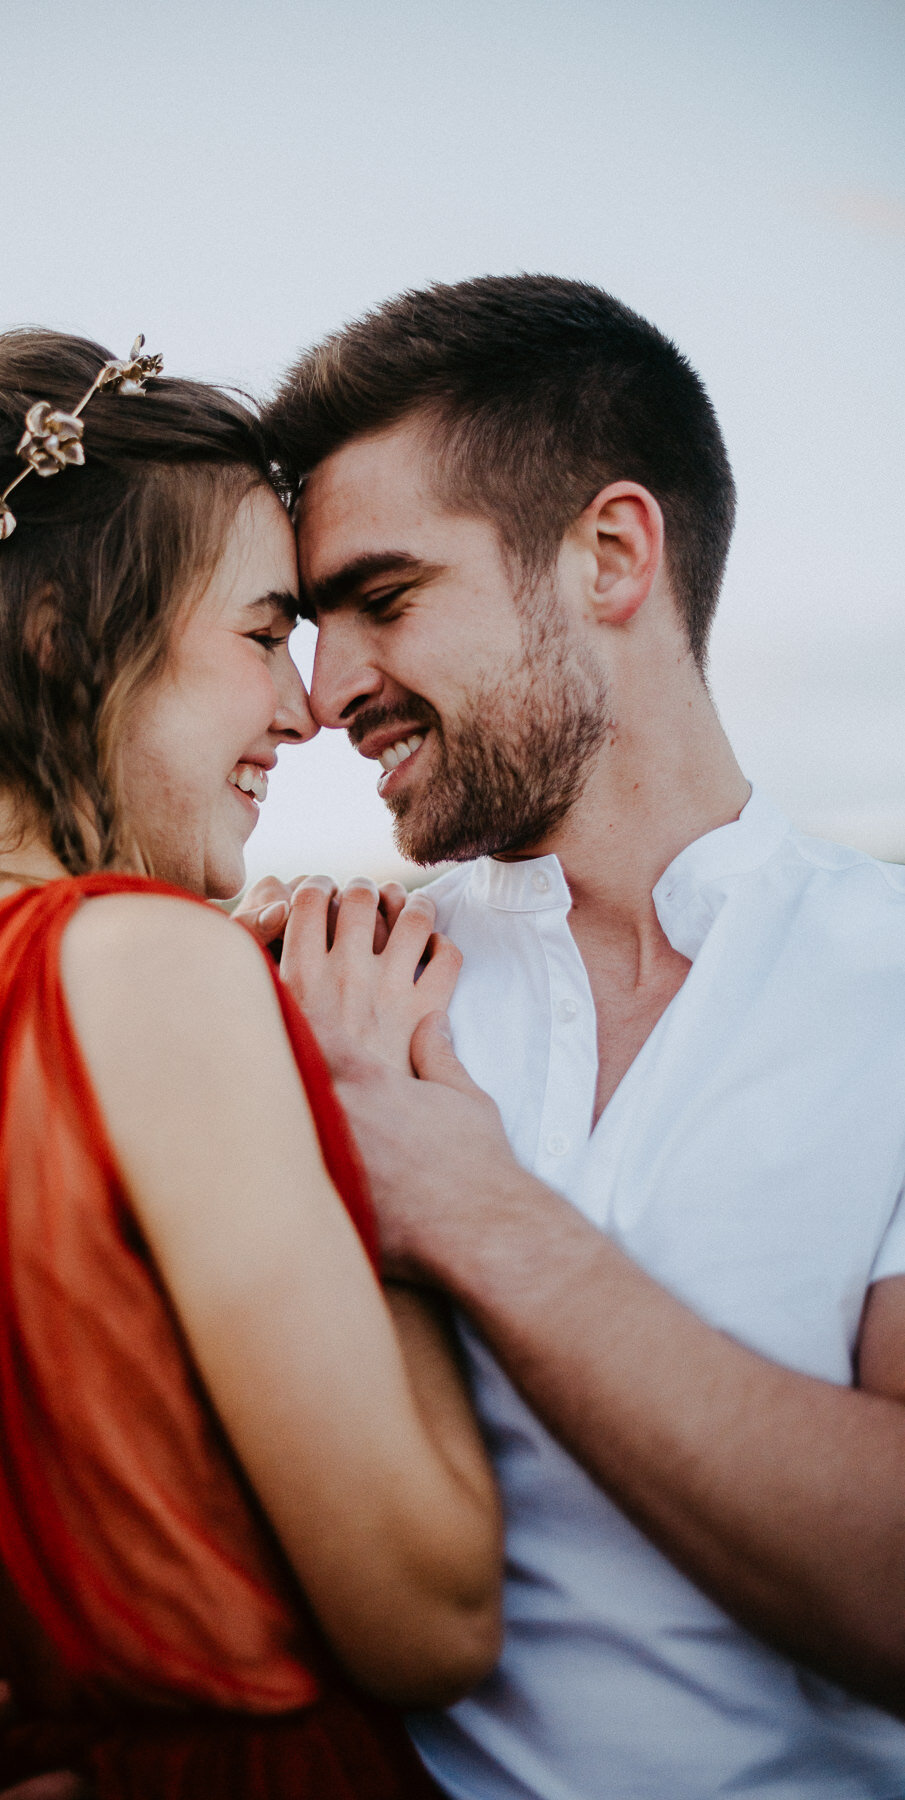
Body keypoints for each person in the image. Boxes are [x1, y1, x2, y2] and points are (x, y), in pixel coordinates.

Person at [0, 328, 505, 1799]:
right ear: (61, 636)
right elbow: (433, 1617)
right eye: (264, 633)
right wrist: (378, 1134)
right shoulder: (140, 964)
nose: (303, 710)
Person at [242, 275, 905, 1798]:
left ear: (609, 553)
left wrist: (472, 1210)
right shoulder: (335, 985)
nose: (328, 688)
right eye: (310, 620)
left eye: (383, 599)